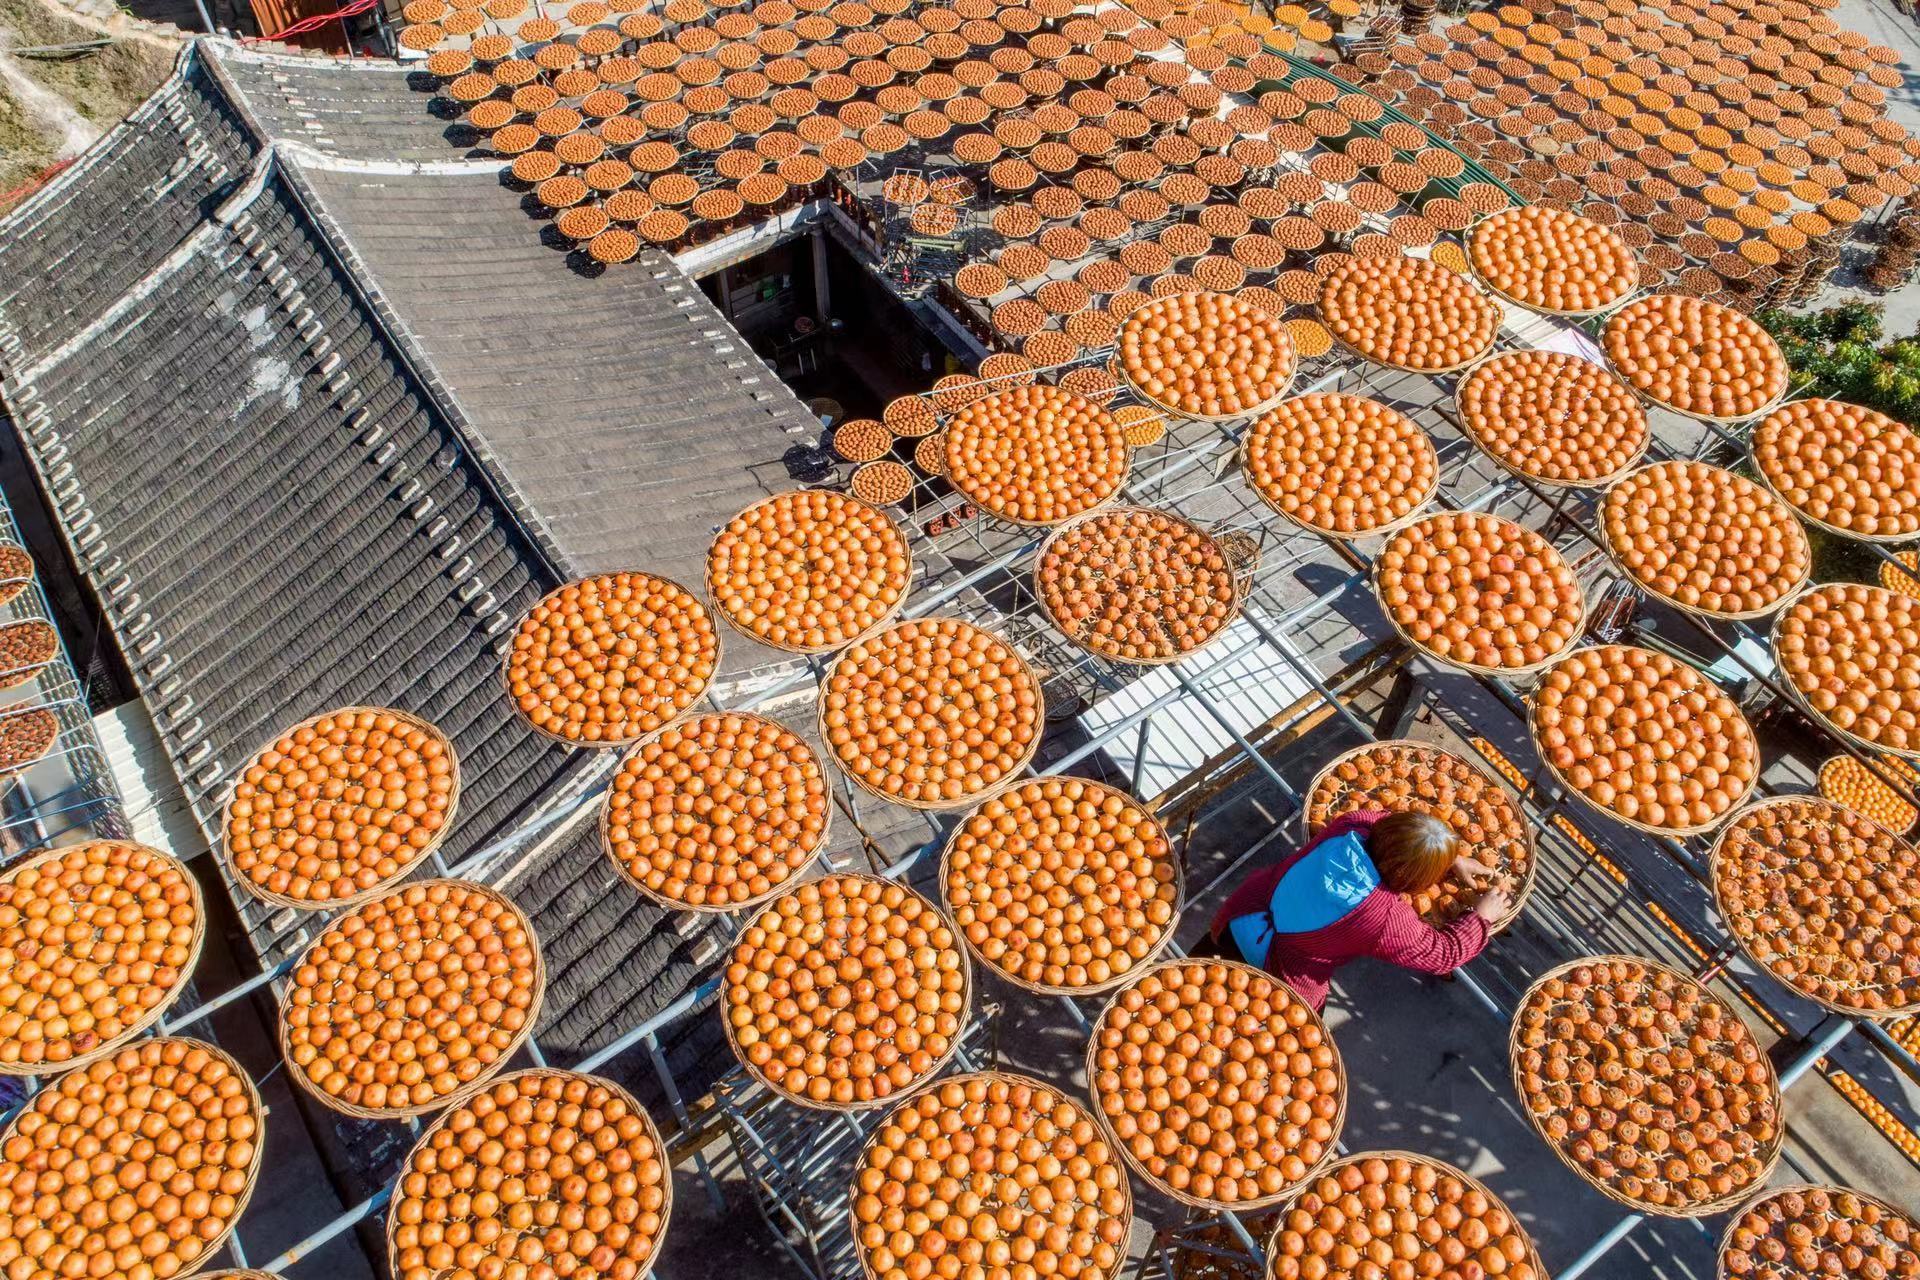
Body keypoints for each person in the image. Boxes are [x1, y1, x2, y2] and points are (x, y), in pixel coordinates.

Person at [1197, 808, 1514, 1011]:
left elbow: (1386, 818)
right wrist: (1483, 915)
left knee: (1194, 977)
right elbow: (1443, 953)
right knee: (1284, 1036)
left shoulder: (1352, 824)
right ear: (1411, 881)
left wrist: (1447, 856)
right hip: (1281, 971)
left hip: (1241, 914)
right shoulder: (1381, 918)